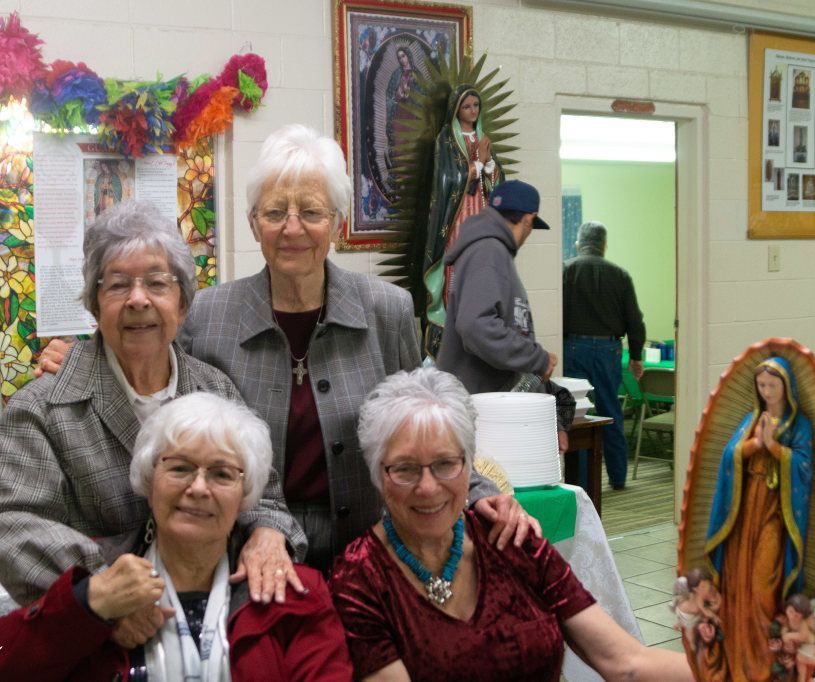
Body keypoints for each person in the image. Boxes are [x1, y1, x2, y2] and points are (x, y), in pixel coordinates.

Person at [38, 125, 536, 597]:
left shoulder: (385, 308)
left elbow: (423, 418)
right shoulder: (210, 315)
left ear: (338, 224)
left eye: (311, 212)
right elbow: (152, 370)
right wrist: (84, 357)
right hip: (248, 559)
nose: (292, 227)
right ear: (254, 225)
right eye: (275, 212)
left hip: (373, 554)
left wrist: (476, 491)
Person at [0, 200, 256, 652]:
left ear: (182, 305)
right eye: (118, 284)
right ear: (94, 304)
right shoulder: (42, 408)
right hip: (100, 640)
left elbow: (265, 492)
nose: (138, 299)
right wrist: (102, 589)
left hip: (219, 624)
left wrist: (268, 536)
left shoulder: (215, 391)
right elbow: (4, 522)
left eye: (157, 283)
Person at [0, 392, 353, 681]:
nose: (198, 487)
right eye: (179, 468)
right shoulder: (99, 579)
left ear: (246, 493)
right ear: (150, 477)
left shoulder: (291, 591)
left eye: (221, 473)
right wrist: (86, 608)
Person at [330, 367, 692, 680]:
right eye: (405, 468)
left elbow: (626, 662)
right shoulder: (360, 577)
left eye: (445, 464)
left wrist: (731, 669)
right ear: (378, 474)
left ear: (469, 466)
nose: (428, 487)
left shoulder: (512, 539)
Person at [436, 179, 572, 450]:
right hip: (477, 415)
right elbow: (476, 326)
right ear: (528, 219)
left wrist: (551, 418)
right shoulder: (489, 251)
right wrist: (537, 358)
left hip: (491, 412)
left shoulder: (488, 251)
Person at [703, 356, 813, 681]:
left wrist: (775, 448)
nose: (766, 392)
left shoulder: (798, 425)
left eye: (772, 386)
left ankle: (766, 662)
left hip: (775, 513)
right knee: (740, 582)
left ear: (786, 387)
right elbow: (730, 455)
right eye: (761, 386)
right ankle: (739, 659)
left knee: (764, 587)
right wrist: (754, 445)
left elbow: (805, 467)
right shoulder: (752, 418)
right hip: (744, 509)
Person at [562, 220, 646, 490]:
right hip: (610, 350)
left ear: (578, 243)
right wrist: (635, 356)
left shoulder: (566, 270)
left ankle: (583, 481)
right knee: (611, 412)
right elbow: (635, 320)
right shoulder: (620, 275)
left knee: (579, 415)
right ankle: (618, 477)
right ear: (604, 246)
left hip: (573, 348)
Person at [422, 84, 505, 358]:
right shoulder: (446, 139)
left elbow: (495, 183)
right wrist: (477, 165)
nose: (472, 111)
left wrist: (490, 166)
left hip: (480, 210)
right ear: (457, 109)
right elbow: (446, 179)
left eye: (475, 105)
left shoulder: (482, 137)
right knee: (457, 264)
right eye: (466, 106)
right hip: (458, 215)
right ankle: (453, 317)